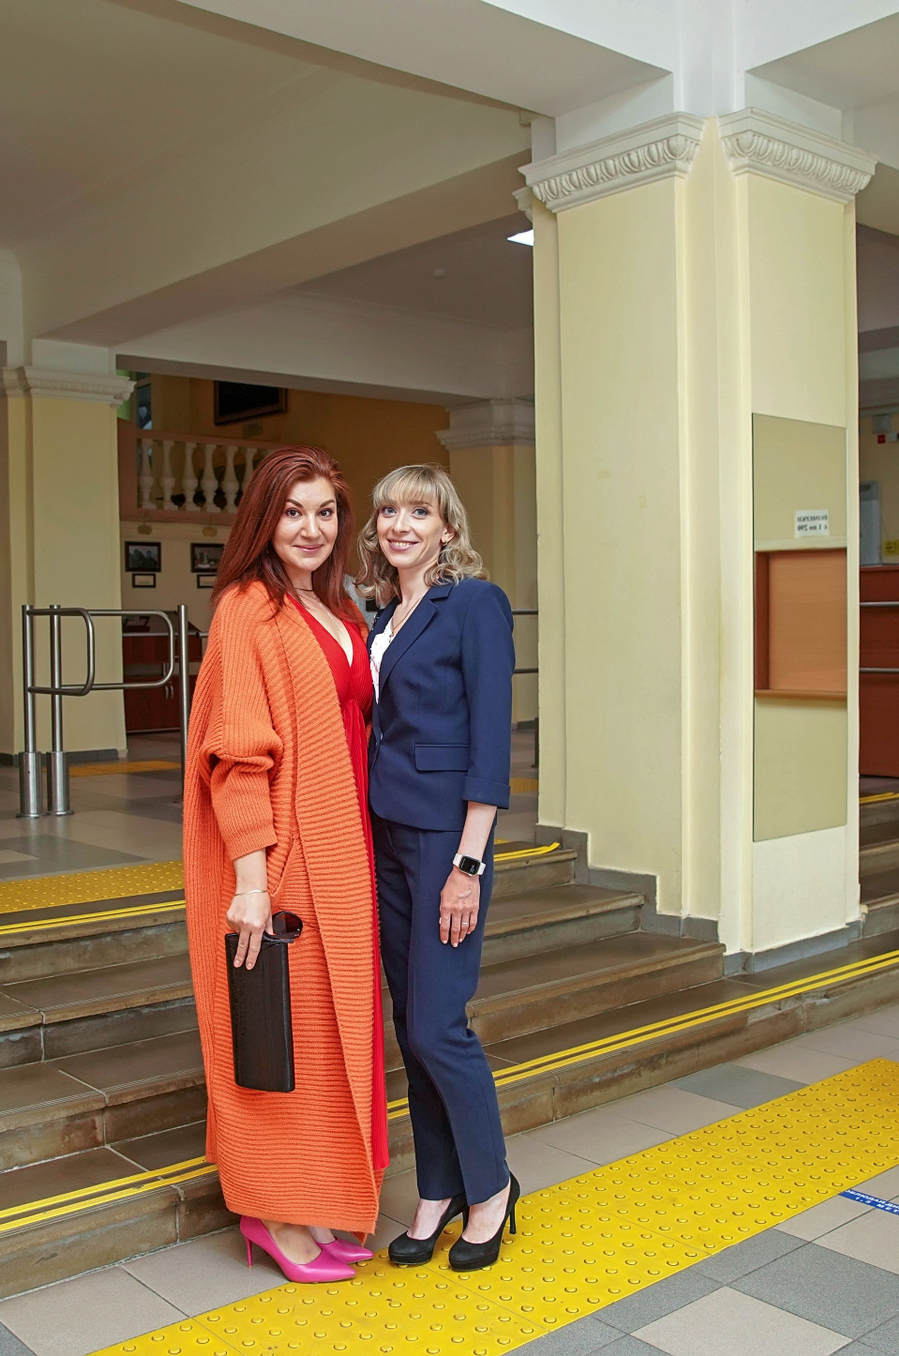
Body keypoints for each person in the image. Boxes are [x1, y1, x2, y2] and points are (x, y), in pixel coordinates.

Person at [183, 445, 385, 1284]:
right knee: (279, 1041)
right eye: (293, 512)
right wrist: (251, 883)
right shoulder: (247, 608)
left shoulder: (335, 606)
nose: (311, 528)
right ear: (264, 520)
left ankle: (314, 1201)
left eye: (325, 512)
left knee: (331, 1040)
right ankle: (270, 1214)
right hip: (283, 856)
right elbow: (237, 754)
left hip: (345, 847)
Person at [359, 464, 519, 1272]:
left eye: (419, 511)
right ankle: (437, 1189)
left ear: (447, 528)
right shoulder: (384, 615)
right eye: (389, 510)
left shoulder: (475, 604)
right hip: (386, 834)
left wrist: (468, 863)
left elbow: (491, 740)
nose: (401, 523)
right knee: (410, 1028)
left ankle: (490, 1188)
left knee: (436, 1026)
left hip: (444, 840)